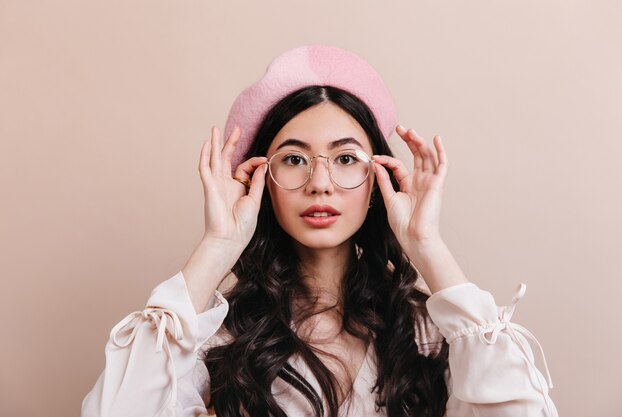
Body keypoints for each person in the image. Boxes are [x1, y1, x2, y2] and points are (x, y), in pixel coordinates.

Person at [81, 45, 559, 417]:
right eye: (293, 159)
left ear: (378, 179)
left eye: (346, 158)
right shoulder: (222, 340)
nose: (320, 183)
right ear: (262, 180)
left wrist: (427, 247)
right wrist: (218, 245)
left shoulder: (431, 334)